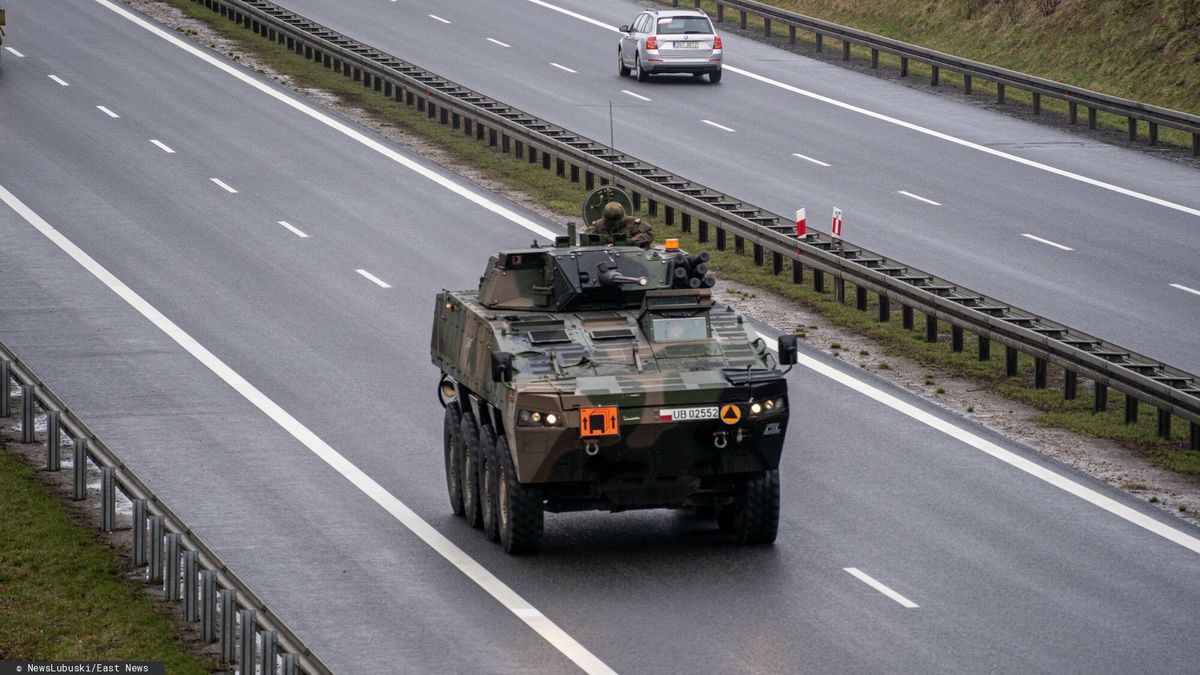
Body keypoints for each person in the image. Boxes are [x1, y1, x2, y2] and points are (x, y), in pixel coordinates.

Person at [588, 201, 653, 248]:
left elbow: (648, 234)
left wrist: (628, 242)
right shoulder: (598, 225)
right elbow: (586, 238)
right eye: (611, 222)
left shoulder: (633, 223)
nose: (615, 224)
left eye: (616, 221)